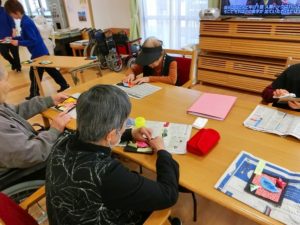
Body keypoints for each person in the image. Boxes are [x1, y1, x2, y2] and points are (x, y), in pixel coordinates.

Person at [46, 85, 181, 225]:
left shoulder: (62, 140)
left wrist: (130, 133)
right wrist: (162, 152)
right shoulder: (107, 174)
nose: (124, 128)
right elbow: (168, 194)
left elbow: (95, 137)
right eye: (124, 125)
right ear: (110, 135)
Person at [0, 63, 71, 169]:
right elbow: (29, 154)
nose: (9, 86)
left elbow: (15, 112)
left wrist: (49, 100)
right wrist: (54, 131)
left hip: (28, 149)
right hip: (31, 169)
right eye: (5, 80)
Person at [4, 0, 69, 100]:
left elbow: (32, 40)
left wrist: (18, 43)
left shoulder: (26, 23)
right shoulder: (25, 20)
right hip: (40, 51)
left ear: (16, 12)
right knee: (51, 70)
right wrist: (13, 39)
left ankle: (34, 93)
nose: (12, 17)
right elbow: (25, 36)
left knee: (34, 73)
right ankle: (64, 85)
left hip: (38, 53)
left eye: (11, 14)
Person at [0, 0, 21, 72]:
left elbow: (12, 22)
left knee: (15, 53)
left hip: (10, 36)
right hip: (1, 39)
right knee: (4, 53)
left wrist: (14, 31)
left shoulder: (5, 10)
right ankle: (13, 63)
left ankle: (18, 67)